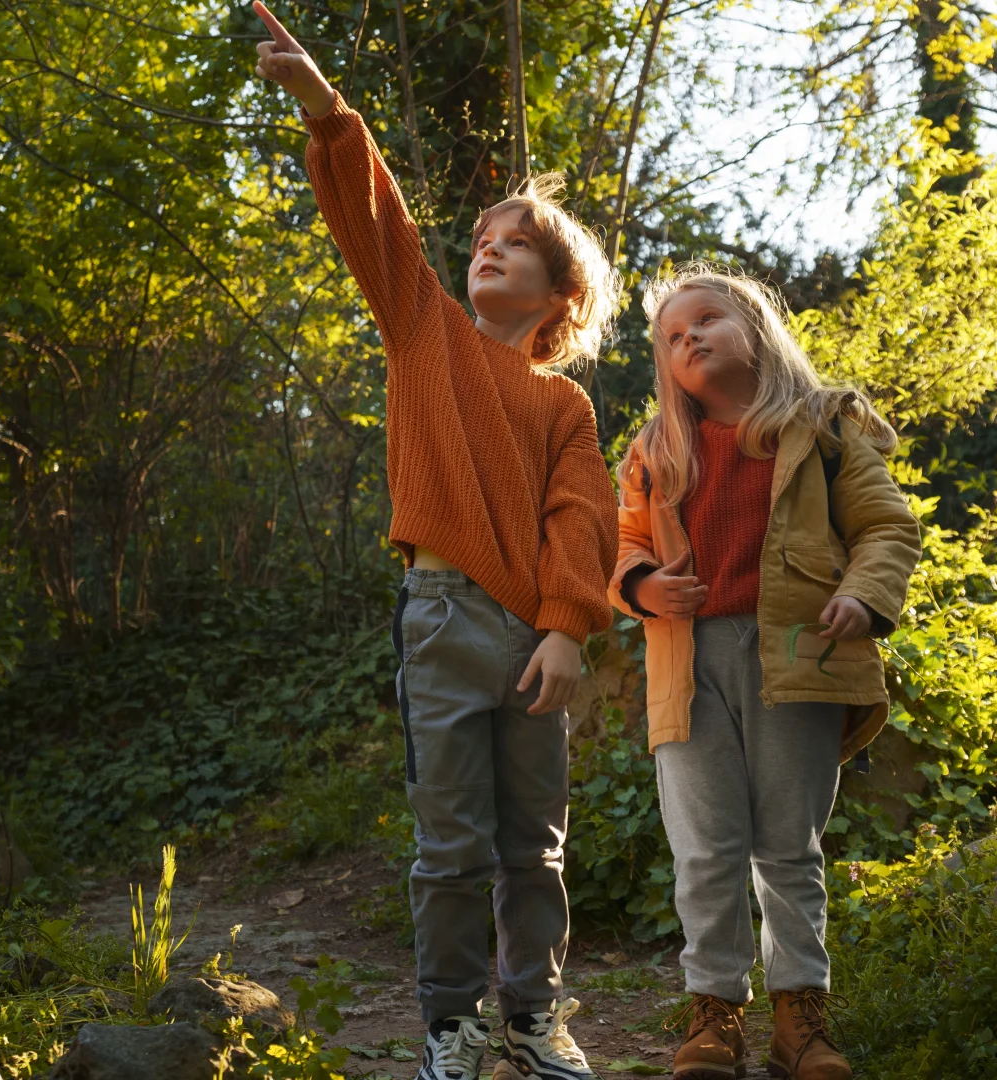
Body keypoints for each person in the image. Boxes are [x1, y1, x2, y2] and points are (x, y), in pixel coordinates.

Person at [250, 8, 621, 1080]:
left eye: (518, 245)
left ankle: (534, 1015)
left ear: (560, 296)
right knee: (451, 849)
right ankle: (453, 1024)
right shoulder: (422, 332)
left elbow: (581, 522)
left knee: (534, 853)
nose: (488, 248)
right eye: (482, 241)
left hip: (530, 640)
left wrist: (564, 631)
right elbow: (381, 225)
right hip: (442, 616)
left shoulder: (564, 408)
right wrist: (326, 110)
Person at [610, 267, 922, 1080]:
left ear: (753, 325)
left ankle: (801, 1022)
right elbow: (621, 546)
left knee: (788, 846)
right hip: (687, 663)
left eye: (707, 320)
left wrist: (863, 595)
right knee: (704, 850)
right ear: (665, 365)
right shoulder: (655, 451)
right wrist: (641, 585)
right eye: (674, 338)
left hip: (801, 658)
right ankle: (714, 1017)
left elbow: (888, 526)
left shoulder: (823, 430)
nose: (692, 340)